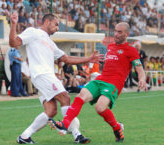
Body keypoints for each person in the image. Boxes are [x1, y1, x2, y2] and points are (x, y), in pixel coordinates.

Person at [9, 12, 104, 144]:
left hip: (44, 76)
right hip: (43, 75)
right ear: (47, 22)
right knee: (65, 97)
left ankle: (24, 136)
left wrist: (89, 59)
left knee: (51, 110)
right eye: (56, 24)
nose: (57, 28)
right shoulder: (33, 32)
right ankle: (77, 135)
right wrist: (13, 24)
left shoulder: (50, 43)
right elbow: (14, 43)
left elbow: (66, 58)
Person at [48, 22, 147, 143]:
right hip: (100, 79)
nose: (116, 34)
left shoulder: (131, 50)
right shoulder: (110, 47)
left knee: (100, 108)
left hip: (113, 84)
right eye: (115, 31)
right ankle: (65, 124)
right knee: (81, 96)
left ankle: (117, 128)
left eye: (119, 32)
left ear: (127, 34)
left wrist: (141, 79)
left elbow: (139, 68)